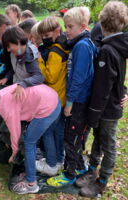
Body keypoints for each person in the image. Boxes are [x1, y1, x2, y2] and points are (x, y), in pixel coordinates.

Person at [75, 2, 128, 197]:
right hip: (107, 106)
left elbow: (103, 88)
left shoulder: (108, 50)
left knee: (108, 143)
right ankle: (92, 169)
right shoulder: (114, 45)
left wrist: (94, 114)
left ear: (102, 21)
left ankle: (102, 181)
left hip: (107, 108)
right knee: (98, 138)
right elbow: (118, 77)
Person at [0, 83, 61, 194]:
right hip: (54, 99)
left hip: (46, 107)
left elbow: (16, 134)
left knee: (29, 142)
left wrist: (14, 153)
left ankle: (31, 184)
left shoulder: (5, 108)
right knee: (47, 133)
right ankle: (52, 166)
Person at [47, 7, 97, 186]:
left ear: (83, 26)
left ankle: (69, 175)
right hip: (81, 100)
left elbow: (78, 79)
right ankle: (81, 167)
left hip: (78, 102)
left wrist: (69, 103)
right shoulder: (85, 42)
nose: (66, 30)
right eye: (65, 26)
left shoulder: (82, 46)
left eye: (70, 27)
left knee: (71, 138)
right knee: (78, 137)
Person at [34, 16, 68, 176]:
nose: (45, 40)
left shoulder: (55, 52)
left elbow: (50, 77)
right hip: (61, 96)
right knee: (58, 131)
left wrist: (40, 61)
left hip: (54, 98)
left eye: (47, 36)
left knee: (48, 131)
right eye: (43, 37)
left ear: (57, 31)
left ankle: (52, 163)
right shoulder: (63, 44)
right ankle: (59, 159)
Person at [0, 26, 44, 99]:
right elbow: (15, 69)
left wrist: (23, 84)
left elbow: (39, 77)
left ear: (17, 41)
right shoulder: (15, 53)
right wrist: (6, 78)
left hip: (28, 95)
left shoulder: (30, 56)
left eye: (8, 46)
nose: (8, 50)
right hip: (17, 89)